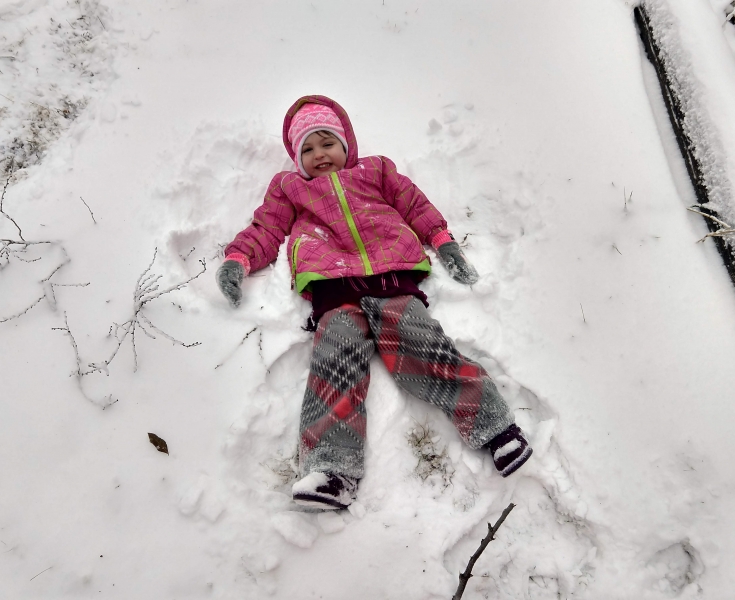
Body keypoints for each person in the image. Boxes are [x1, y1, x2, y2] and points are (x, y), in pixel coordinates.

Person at [217, 95, 532, 510]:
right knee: (335, 358)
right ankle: (331, 471)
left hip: (392, 277)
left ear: (346, 143)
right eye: (306, 150)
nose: (319, 155)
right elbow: (266, 228)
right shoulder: (289, 188)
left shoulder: (376, 170)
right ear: (296, 160)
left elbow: (414, 205)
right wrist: (238, 260)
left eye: (326, 142)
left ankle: (495, 428)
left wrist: (443, 241)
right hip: (332, 286)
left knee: (421, 344)